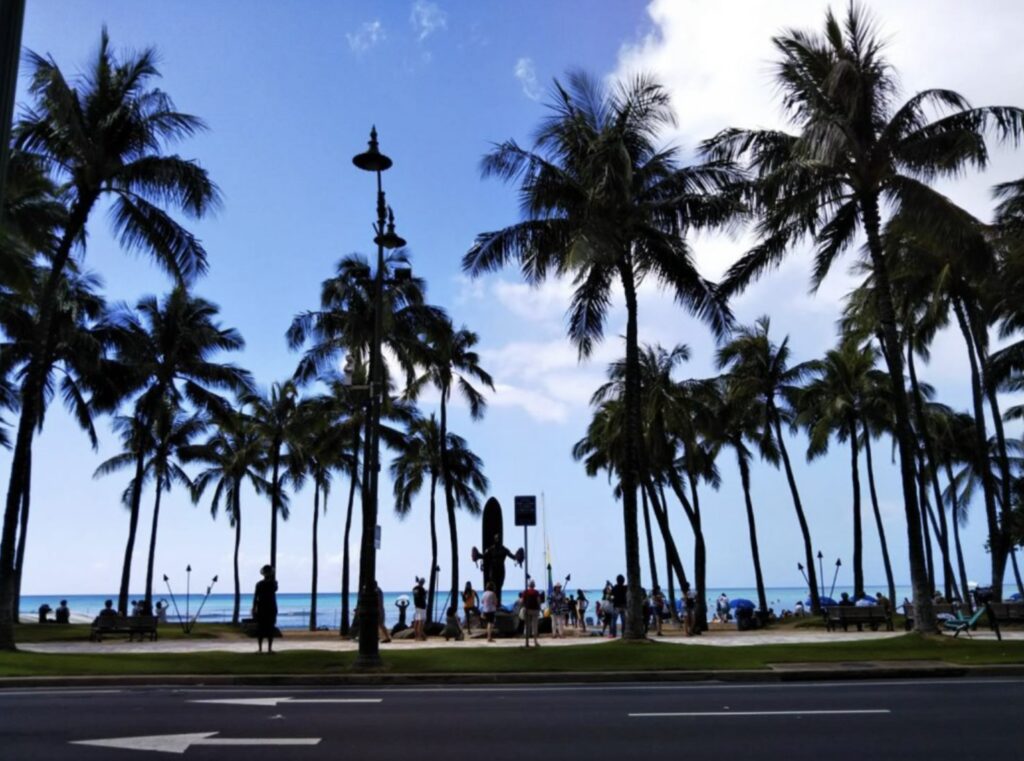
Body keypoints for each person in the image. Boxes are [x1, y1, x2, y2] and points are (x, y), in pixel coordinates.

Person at [252, 564, 278, 654]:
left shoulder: (260, 584)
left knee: (262, 629)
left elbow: (255, 597)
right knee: (268, 628)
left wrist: (254, 607)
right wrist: (254, 607)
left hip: (263, 607)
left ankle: (261, 649)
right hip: (270, 607)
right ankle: (268, 649)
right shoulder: (273, 583)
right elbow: (274, 589)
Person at [521, 579, 543, 647]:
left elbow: (522, 601)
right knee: (535, 625)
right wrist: (540, 608)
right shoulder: (536, 592)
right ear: (534, 585)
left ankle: (526, 642)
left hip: (527, 610)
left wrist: (523, 607)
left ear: (529, 585)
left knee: (527, 626)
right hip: (535, 610)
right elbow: (538, 601)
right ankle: (535, 642)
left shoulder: (525, 592)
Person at [412, 576, 428, 641]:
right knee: (421, 622)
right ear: (423, 583)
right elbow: (424, 598)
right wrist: (426, 593)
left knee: (417, 621)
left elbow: (416, 596)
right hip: (422, 606)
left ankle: (416, 636)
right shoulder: (422, 589)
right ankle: (420, 636)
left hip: (417, 606)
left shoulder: (414, 588)